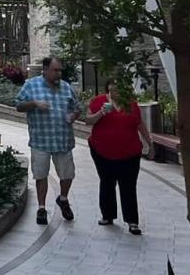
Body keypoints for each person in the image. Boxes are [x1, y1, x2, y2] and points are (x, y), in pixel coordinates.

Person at [14, 56, 81, 225]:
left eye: (60, 71)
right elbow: (18, 105)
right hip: (41, 140)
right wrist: (34, 103)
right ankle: (41, 208)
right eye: (55, 70)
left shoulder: (66, 87)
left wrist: (73, 116)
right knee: (41, 175)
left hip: (63, 140)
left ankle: (63, 198)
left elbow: (77, 108)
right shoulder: (31, 85)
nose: (58, 74)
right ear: (45, 70)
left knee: (68, 174)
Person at [86, 83, 152, 234]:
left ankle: (132, 221)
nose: (115, 92)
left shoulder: (131, 104)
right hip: (102, 151)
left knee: (128, 185)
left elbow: (139, 124)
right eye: (112, 89)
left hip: (130, 153)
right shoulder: (98, 102)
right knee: (107, 182)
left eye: (118, 89)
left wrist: (150, 142)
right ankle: (107, 215)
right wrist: (101, 113)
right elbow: (88, 120)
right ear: (108, 90)